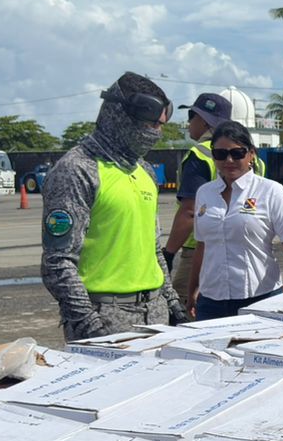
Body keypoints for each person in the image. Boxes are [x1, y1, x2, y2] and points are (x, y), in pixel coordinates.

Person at [42, 72, 185, 341]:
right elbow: (58, 262)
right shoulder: (77, 170)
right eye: (151, 124)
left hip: (155, 315)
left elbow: (153, 249)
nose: (157, 133)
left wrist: (172, 303)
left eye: (161, 125)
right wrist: (88, 323)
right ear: (120, 116)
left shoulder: (145, 172)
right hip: (105, 316)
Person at [188, 121, 283, 319]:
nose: (229, 160)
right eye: (221, 154)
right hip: (211, 302)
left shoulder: (270, 190)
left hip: (261, 299)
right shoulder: (204, 193)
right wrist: (192, 290)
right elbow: (202, 246)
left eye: (237, 153)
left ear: (251, 153)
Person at [163, 91, 244, 310]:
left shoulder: (199, 154)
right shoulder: (249, 157)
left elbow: (190, 212)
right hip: (242, 251)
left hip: (201, 251)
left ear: (204, 120)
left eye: (192, 115)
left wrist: (168, 253)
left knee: (184, 310)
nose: (189, 122)